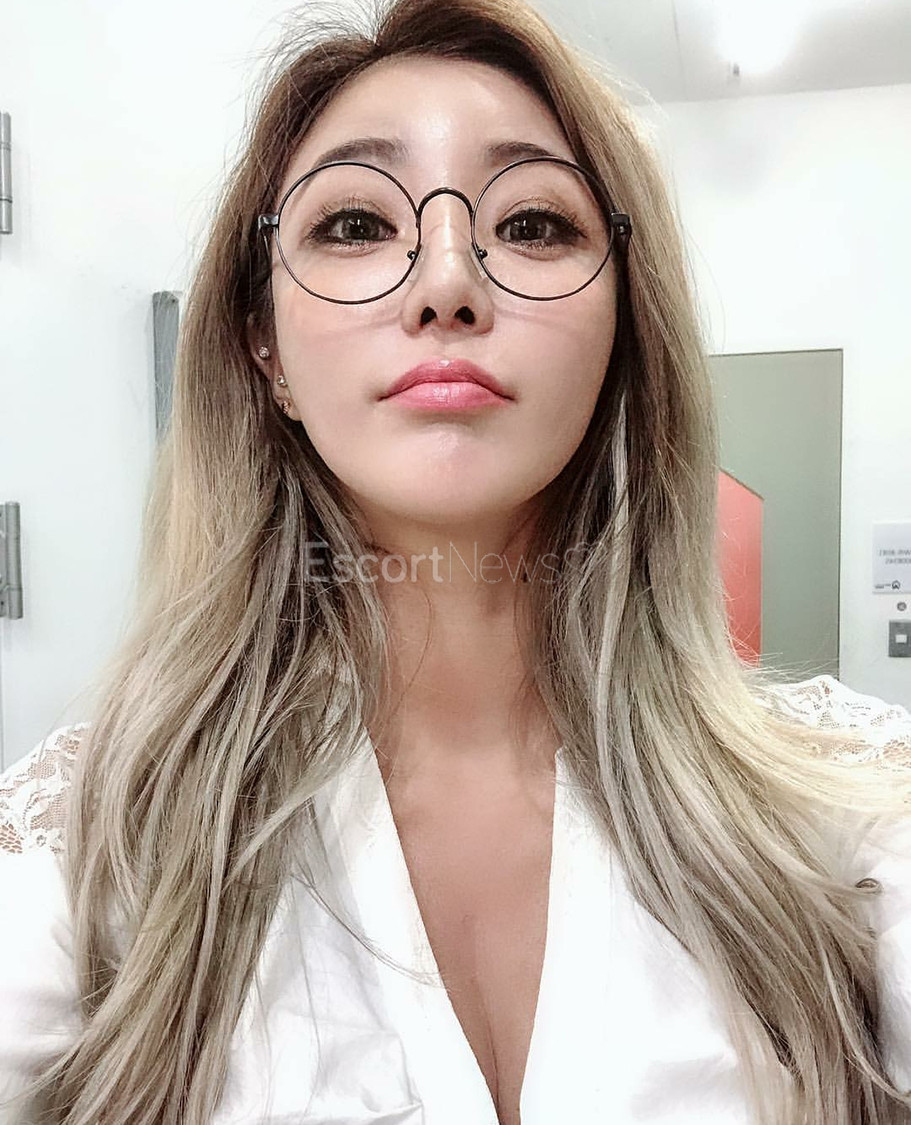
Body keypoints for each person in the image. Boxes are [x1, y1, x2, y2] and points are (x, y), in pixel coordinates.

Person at [1, 0, 910, 1121]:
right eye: (353, 223)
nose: (445, 285)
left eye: (531, 223)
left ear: (623, 330)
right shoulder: (91, 845)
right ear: (263, 346)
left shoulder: (850, 816)